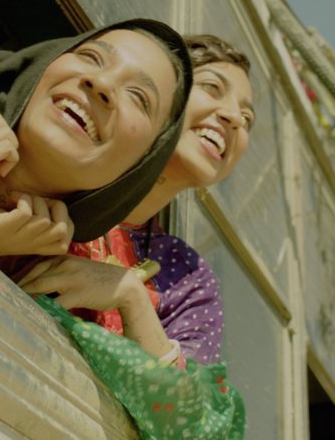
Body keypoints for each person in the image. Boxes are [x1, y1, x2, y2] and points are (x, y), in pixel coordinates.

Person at [16, 36, 252, 439]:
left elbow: (195, 431)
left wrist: (130, 297)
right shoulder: (61, 177)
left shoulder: (188, 276)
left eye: (247, 119)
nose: (233, 118)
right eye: (212, 88)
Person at [0, 19, 193, 250]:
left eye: (138, 97)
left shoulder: (58, 280)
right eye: (91, 57)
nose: (101, 83)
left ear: (140, 168)